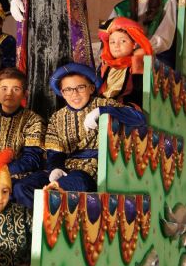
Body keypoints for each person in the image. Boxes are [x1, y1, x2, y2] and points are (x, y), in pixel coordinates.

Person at [45, 63, 146, 192]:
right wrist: (55, 168)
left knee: (75, 183)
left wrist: (102, 111)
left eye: (80, 87)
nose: (74, 94)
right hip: (67, 168)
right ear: (62, 93)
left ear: (91, 89)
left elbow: (140, 119)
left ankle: (54, 190)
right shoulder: (56, 118)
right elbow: (55, 152)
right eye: (68, 89)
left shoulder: (104, 104)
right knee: (27, 185)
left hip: (96, 170)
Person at [0, 67, 47, 208]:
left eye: (16, 89)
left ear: (25, 94)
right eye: (4, 88)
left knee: (16, 189)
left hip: (19, 175)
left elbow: (31, 159)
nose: (9, 93)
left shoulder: (33, 120)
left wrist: (2, 172)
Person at [97, 17, 153, 108]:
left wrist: (138, 60)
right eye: (112, 42)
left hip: (125, 107)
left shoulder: (135, 64)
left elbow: (139, 91)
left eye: (123, 41)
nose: (116, 46)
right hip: (102, 104)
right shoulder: (105, 65)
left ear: (134, 44)